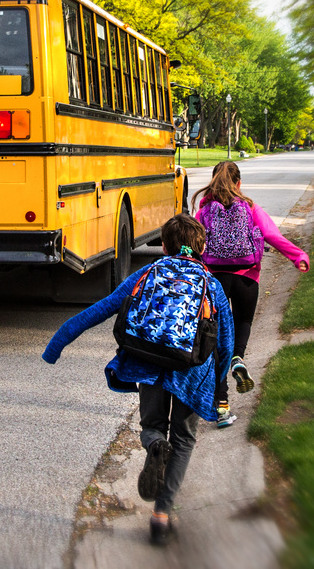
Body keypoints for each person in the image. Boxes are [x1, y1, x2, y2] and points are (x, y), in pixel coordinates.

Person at [42, 214, 234, 546]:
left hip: (148, 364)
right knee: (185, 440)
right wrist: (221, 388)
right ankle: (161, 515)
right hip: (191, 373)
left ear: (164, 245)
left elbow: (100, 309)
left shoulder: (146, 273)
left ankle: (155, 445)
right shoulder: (211, 285)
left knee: (152, 426)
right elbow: (226, 342)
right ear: (201, 246)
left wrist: (57, 343)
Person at [191, 161, 309, 427]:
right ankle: (239, 358)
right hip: (247, 278)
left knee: (215, 344)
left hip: (215, 280)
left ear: (213, 182)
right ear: (238, 183)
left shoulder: (204, 211)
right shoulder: (251, 208)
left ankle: (221, 408)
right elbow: (272, 235)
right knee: (243, 322)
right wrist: (297, 256)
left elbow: (191, 244)